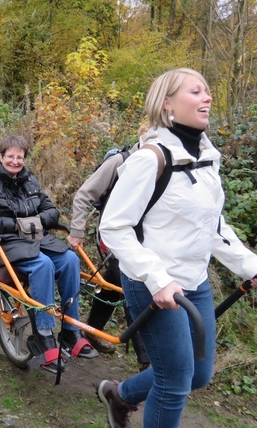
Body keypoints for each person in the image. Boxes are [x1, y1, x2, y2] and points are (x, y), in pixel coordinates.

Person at [95, 68, 257, 428]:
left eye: (208, 91)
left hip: (194, 282)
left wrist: (249, 264)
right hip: (152, 284)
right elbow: (113, 227)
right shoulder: (150, 159)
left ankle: (120, 394)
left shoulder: (207, 159)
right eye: (196, 91)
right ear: (168, 104)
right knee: (174, 381)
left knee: (198, 375)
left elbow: (214, 226)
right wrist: (157, 279)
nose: (207, 97)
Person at [0, 135, 96, 373]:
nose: (15, 161)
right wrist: (16, 225)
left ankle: (71, 331)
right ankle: (44, 336)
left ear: (24, 159)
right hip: (3, 244)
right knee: (43, 265)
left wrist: (34, 222)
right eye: (11, 156)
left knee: (69, 259)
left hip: (34, 239)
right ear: (1, 156)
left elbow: (51, 211)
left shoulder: (29, 181)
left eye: (20, 157)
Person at [67, 124, 150, 371]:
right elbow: (84, 195)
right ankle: (147, 364)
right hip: (113, 239)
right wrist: (77, 231)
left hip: (143, 241)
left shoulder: (162, 166)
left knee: (114, 287)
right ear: (142, 137)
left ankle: (92, 331)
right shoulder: (118, 162)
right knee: (133, 291)